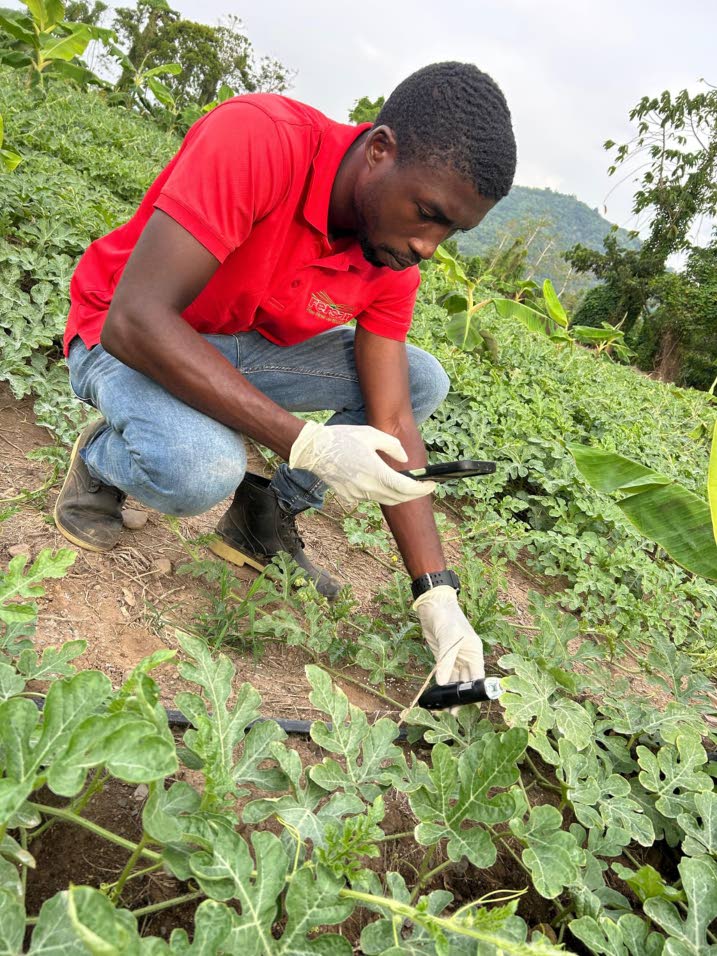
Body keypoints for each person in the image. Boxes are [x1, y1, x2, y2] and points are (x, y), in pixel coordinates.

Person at [55, 61, 516, 687]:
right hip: (123, 333)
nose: (430, 246)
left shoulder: (391, 261)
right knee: (201, 468)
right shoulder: (260, 141)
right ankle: (104, 459)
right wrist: (309, 444)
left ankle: (261, 519)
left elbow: (394, 416)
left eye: (452, 231)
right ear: (380, 149)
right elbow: (135, 320)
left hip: (237, 349)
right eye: (427, 213)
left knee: (419, 378)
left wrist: (437, 597)